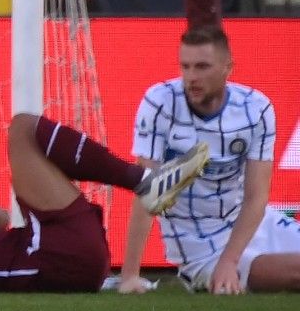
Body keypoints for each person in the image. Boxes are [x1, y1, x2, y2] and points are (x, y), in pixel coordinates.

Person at [0, 113, 209, 295]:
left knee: (28, 139)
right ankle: (143, 182)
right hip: (53, 256)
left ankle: (146, 183)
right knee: (24, 130)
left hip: (58, 250)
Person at [118, 24, 300, 293]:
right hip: (201, 249)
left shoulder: (256, 109)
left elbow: (256, 197)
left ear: (227, 67)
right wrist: (129, 275)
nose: (191, 77)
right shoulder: (160, 104)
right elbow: (148, 192)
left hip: (252, 225)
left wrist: (231, 260)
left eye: (202, 67)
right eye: (185, 66)